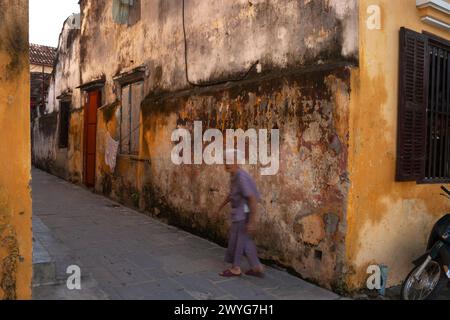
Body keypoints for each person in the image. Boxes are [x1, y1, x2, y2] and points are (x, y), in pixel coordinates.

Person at [215, 150, 265, 278]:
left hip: (242, 215)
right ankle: (257, 267)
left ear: (236, 162)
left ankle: (236, 268)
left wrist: (252, 221)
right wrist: (220, 206)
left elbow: (252, 198)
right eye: (225, 161)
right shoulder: (234, 175)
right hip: (241, 214)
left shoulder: (241, 176)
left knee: (237, 241)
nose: (227, 164)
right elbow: (232, 194)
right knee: (245, 240)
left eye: (230, 161)